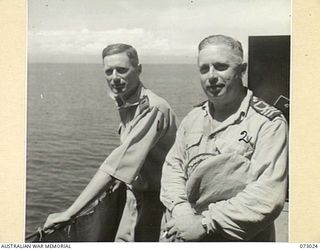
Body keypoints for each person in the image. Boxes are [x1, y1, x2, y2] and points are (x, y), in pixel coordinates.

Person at [160, 35, 288, 242]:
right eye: (204, 69)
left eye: (220, 67)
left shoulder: (268, 123)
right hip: (183, 230)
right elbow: (172, 169)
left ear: (242, 70)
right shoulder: (193, 118)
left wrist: (205, 222)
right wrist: (182, 211)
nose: (211, 76)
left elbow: (267, 194)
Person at [43, 43, 177, 242]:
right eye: (109, 71)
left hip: (156, 203)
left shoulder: (152, 108)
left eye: (122, 70)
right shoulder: (129, 101)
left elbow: (117, 165)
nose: (114, 77)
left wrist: (69, 213)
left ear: (138, 69)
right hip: (134, 196)